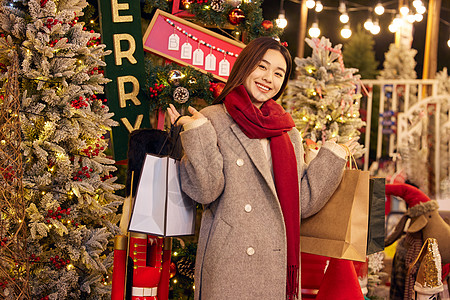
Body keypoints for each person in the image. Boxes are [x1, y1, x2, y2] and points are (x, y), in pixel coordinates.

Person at [167, 36, 356, 300]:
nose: (269, 78)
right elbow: (206, 191)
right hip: (228, 256)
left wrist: (333, 156)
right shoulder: (213, 118)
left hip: (275, 260)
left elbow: (300, 202)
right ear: (245, 66)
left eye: (279, 73)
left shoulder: (288, 132)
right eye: (262, 67)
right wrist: (197, 132)